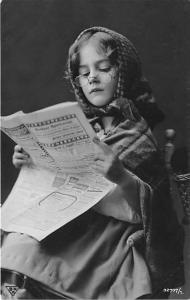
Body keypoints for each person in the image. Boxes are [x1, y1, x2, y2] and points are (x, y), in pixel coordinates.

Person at [1, 26, 184, 299]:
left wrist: (120, 175)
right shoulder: (82, 125)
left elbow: (153, 210)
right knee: (18, 245)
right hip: (71, 217)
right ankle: (15, 292)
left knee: (48, 259)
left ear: (124, 72)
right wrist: (31, 160)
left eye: (104, 68)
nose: (92, 78)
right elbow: (60, 173)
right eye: (84, 73)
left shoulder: (136, 133)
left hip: (109, 233)